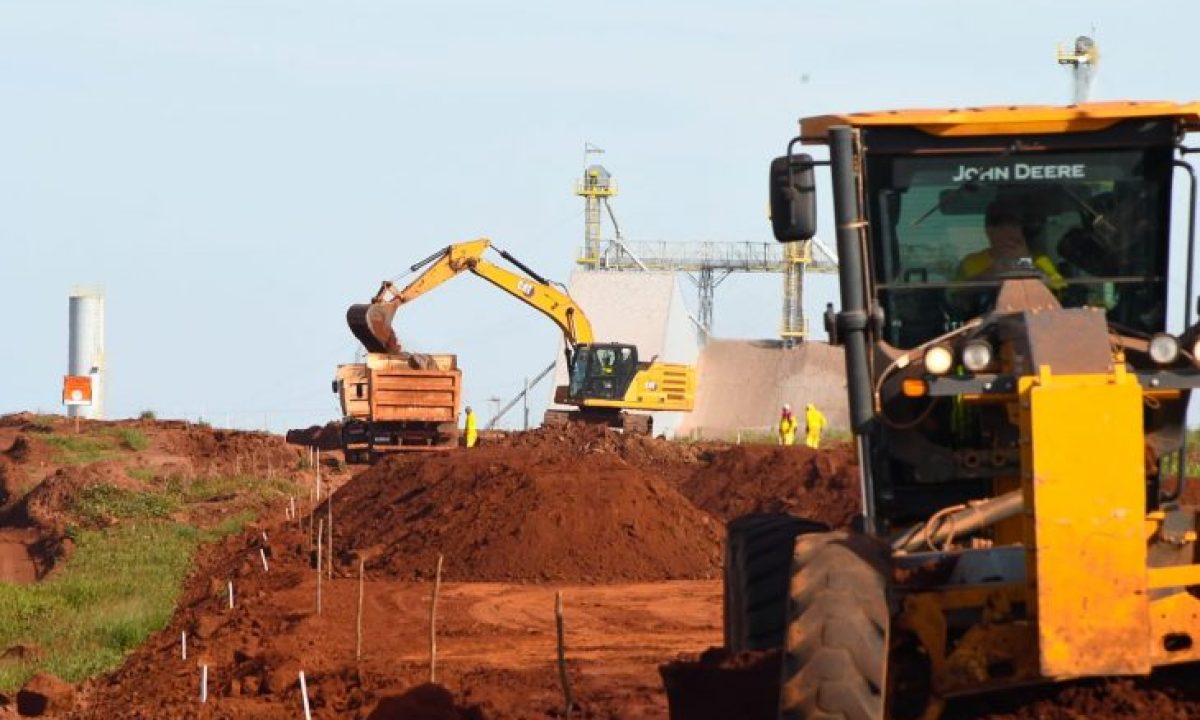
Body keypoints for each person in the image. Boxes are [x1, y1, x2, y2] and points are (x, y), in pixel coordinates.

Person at [957, 201, 1066, 291]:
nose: (1008, 232)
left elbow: (1059, 290)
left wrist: (1024, 262)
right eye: (1000, 227)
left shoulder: (1040, 261)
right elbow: (956, 296)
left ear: (1021, 231)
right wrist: (993, 273)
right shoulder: (970, 262)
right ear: (989, 231)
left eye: (1014, 226)